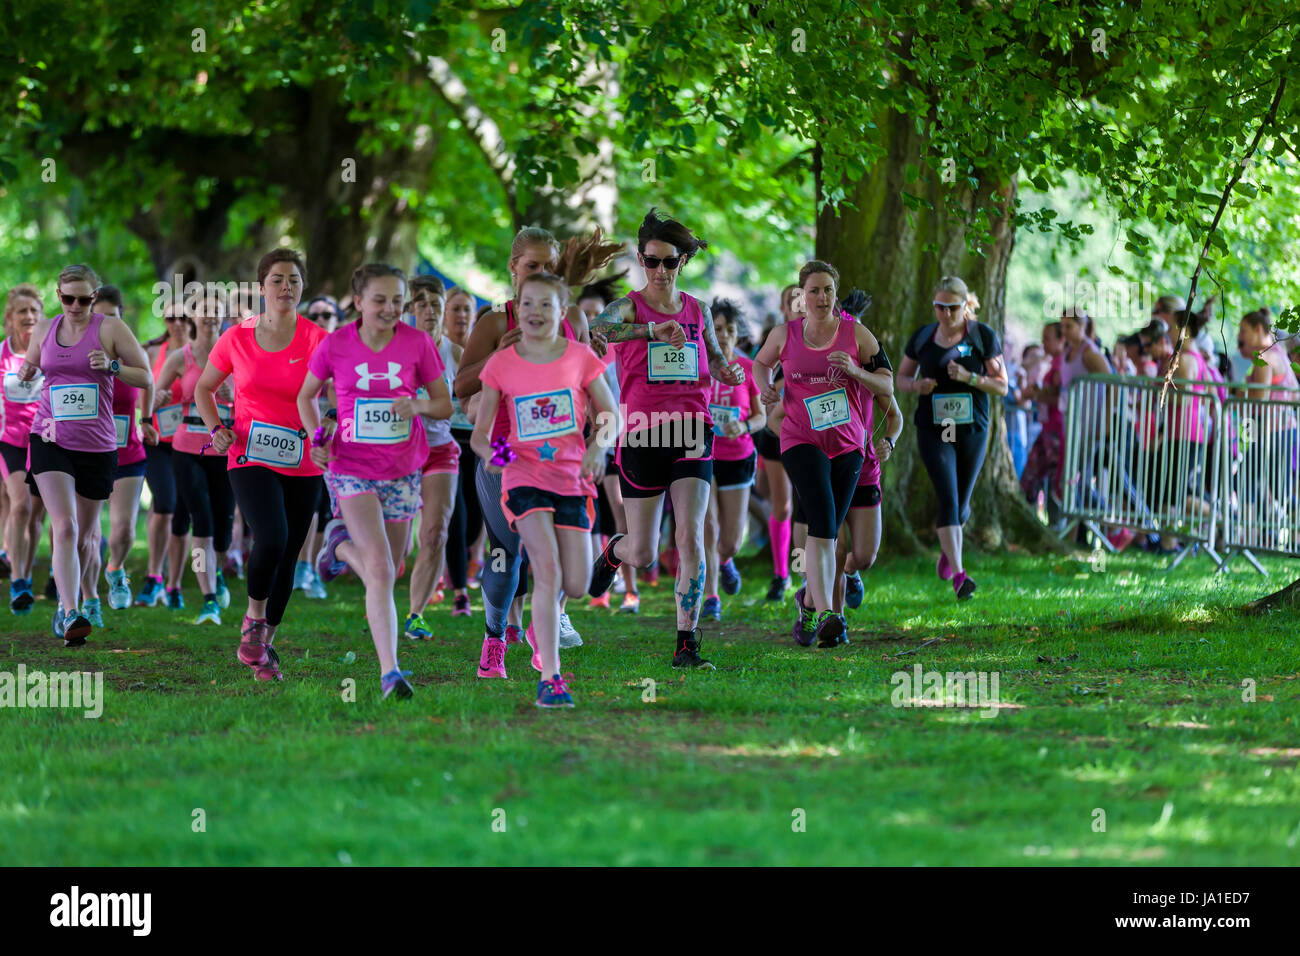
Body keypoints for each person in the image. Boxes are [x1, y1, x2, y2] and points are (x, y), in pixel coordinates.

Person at [586, 209, 745, 668]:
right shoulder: (631, 306)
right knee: (643, 550)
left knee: (692, 535)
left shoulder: (698, 310)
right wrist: (650, 331)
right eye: (651, 261)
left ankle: (686, 643)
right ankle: (613, 553)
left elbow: (713, 358)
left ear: (682, 263)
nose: (660, 271)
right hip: (641, 434)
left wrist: (725, 370)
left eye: (669, 262)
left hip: (693, 430)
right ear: (640, 260)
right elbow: (598, 330)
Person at [456, 227, 613, 673]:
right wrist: (498, 355)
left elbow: (586, 388)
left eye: (548, 267)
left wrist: (596, 441)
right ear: (513, 269)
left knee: (566, 569)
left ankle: (543, 623)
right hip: (507, 454)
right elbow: (461, 386)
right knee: (507, 555)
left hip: (563, 458)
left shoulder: (574, 321)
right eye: (531, 266)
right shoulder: (494, 322)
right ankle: (495, 640)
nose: (540, 274)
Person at [300, 263, 451, 699]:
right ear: (359, 301)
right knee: (382, 569)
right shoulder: (336, 345)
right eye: (380, 300)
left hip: (403, 470)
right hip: (350, 468)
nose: (390, 309)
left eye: (397, 301)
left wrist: (417, 406)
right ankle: (391, 673)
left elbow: (443, 404)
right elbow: (306, 395)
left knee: (394, 564)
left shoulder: (418, 344)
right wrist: (318, 436)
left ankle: (337, 546)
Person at [194, 248, 327, 681]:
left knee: (289, 553)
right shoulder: (236, 337)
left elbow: (340, 396)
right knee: (271, 536)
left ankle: (264, 648)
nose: (286, 287)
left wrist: (329, 423)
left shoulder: (318, 340)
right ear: (261, 287)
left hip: (304, 459)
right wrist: (216, 429)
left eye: (294, 280)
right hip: (249, 453)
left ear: (302, 287)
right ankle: (253, 617)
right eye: (277, 279)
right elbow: (204, 389)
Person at [753, 261, 892, 645]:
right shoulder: (785, 334)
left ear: (835, 293)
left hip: (848, 445)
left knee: (827, 530)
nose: (821, 297)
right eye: (813, 290)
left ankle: (809, 608)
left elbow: (887, 382)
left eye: (828, 290)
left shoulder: (856, 334)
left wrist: (855, 370)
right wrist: (767, 389)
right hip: (801, 439)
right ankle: (830, 612)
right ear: (802, 294)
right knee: (822, 517)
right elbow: (760, 363)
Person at [18, 264, 152, 643]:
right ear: (58, 295)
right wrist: (28, 371)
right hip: (49, 437)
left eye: (83, 299)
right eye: (67, 298)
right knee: (65, 525)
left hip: (96, 444)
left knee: (85, 536)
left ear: (94, 297)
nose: (74, 305)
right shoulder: (44, 328)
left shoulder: (109, 329)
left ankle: (71, 604)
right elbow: (32, 364)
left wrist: (112, 366)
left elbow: (146, 376)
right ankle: (69, 609)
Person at [897, 275, 1008, 600]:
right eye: (940, 307)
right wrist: (916, 386)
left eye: (952, 308)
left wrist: (971, 377)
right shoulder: (923, 337)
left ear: (964, 305)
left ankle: (948, 552)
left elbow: (1002, 385)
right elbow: (901, 378)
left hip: (972, 425)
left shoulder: (981, 335)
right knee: (948, 497)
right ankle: (960, 576)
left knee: (961, 504)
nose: (946, 314)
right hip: (934, 426)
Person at [156, 290, 236, 625]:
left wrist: (236, 394)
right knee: (200, 520)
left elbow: (256, 397)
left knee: (224, 527)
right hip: (186, 449)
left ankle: (215, 574)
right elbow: (158, 395)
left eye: (216, 312)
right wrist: (157, 399)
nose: (210, 317)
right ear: (194, 317)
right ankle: (207, 598)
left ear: (223, 317)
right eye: (204, 312)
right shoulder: (180, 357)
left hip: (225, 448)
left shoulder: (236, 355)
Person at [402, 275, 468, 639]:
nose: (430, 311)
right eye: (422, 304)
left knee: (435, 532)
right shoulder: (395, 348)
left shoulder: (456, 354)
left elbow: (480, 395)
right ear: (411, 309)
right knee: (392, 544)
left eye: (435, 304)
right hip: (396, 451)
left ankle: (415, 614)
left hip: (440, 450)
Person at [576, 275, 640, 613]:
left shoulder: (620, 349)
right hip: (581, 441)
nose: (592, 323)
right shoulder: (571, 353)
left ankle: (630, 589)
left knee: (619, 510)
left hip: (619, 436)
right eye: (585, 316)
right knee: (589, 512)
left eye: (598, 315)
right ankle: (598, 587)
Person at [90, 286, 156, 615]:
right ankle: (81, 595)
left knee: (125, 528)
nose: (105, 323)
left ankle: (116, 570)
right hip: (86, 453)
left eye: (112, 317)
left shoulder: (128, 355)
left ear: (121, 318)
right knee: (86, 530)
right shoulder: (80, 353)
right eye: (98, 317)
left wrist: (146, 420)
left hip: (127, 453)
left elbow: (148, 380)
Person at [700, 299, 764, 621]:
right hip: (703, 453)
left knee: (730, 541)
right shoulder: (699, 365)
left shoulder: (749, 369)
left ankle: (725, 562)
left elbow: (762, 417)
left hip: (738, 456)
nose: (723, 335)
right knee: (708, 525)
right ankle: (711, 596)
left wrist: (745, 425)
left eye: (730, 330)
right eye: (718, 329)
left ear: (738, 335)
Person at [135, 298, 192, 609]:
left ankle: (175, 584)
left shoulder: (203, 352)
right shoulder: (152, 352)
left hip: (191, 442)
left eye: (184, 316)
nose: (178, 322)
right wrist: (156, 399)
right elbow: (137, 399)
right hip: (157, 440)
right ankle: (154, 576)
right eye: (171, 316)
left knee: (180, 511)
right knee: (166, 504)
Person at [2, 284, 50, 614]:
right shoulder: (2, 354)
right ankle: (18, 579)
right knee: (19, 506)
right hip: (9, 443)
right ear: (10, 320)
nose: (29, 316)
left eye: (34, 310)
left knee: (35, 520)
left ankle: (27, 576)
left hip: (46, 441)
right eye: (23, 311)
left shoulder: (51, 353)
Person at [293, 295, 341, 600]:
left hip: (341, 436)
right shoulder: (299, 350)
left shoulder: (347, 349)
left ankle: (315, 563)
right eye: (315, 314)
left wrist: (333, 417)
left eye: (327, 314)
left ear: (337, 318)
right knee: (306, 505)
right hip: (304, 435)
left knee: (326, 509)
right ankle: (302, 566)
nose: (321, 319)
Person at [441, 287, 485, 605]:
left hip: (477, 441)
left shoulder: (480, 351)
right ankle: (459, 591)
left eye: (467, 310)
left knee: (475, 519)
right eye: (455, 309)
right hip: (447, 441)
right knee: (455, 514)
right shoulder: (436, 350)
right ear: (445, 313)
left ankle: (458, 567)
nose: (462, 316)